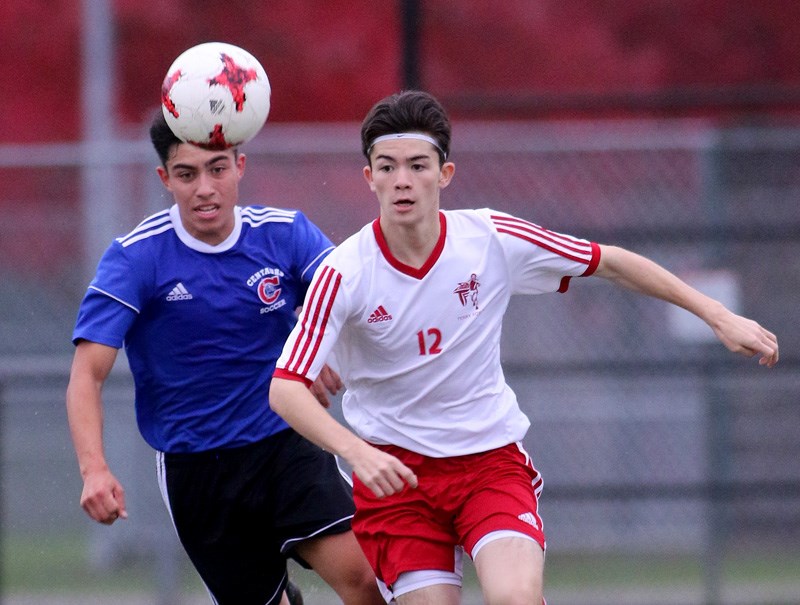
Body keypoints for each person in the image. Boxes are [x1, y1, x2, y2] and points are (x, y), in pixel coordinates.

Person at [268, 90, 780, 605]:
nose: (403, 179)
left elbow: (609, 262)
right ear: (370, 177)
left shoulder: (489, 238)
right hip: (397, 484)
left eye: (418, 165)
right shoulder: (345, 272)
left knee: (515, 598)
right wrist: (357, 451)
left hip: (489, 466)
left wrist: (717, 314)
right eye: (388, 166)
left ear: (444, 174)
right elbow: (285, 389)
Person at [65, 110, 385, 605]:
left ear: (240, 165)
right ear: (164, 179)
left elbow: (353, 300)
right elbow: (87, 375)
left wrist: (316, 343)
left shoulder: (283, 235)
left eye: (217, 169)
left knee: (367, 580)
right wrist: (95, 471)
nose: (204, 188)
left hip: (285, 444)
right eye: (187, 174)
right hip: (198, 470)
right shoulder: (136, 258)